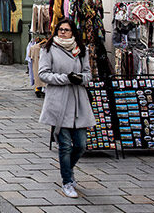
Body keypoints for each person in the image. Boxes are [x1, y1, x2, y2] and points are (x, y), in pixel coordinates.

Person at [38, 19, 94, 198]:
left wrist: (80, 79)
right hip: (59, 102)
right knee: (64, 146)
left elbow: (88, 73)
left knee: (81, 144)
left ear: (73, 33)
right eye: (60, 30)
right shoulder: (48, 49)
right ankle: (67, 181)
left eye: (66, 30)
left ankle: (68, 170)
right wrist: (66, 78)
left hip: (78, 102)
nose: (62, 33)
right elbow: (43, 74)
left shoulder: (81, 50)